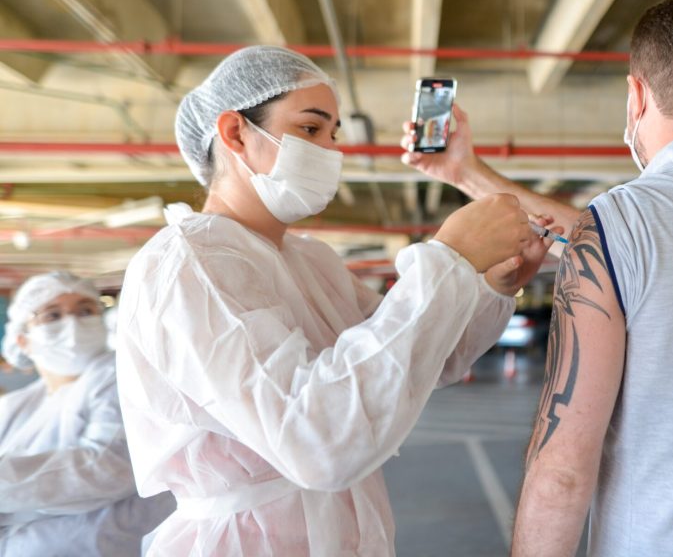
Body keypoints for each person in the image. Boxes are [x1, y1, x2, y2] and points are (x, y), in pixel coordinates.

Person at [403, 0, 673, 557]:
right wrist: (465, 171)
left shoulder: (619, 226)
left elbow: (562, 472)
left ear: (636, 95)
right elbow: (624, 245)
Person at [115, 45, 554, 556]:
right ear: (235, 133)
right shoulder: (191, 264)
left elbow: (425, 357)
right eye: (310, 129)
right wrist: (447, 260)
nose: (329, 150)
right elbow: (315, 440)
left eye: (333, 134)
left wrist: (490, 286)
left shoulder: (308, 261)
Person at [0, 271, 174, 556]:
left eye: (85, 310)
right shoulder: (18, 405)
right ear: (22, 340)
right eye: (52, 315)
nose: (73, 324)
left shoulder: (118, 376)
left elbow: (108, 468)